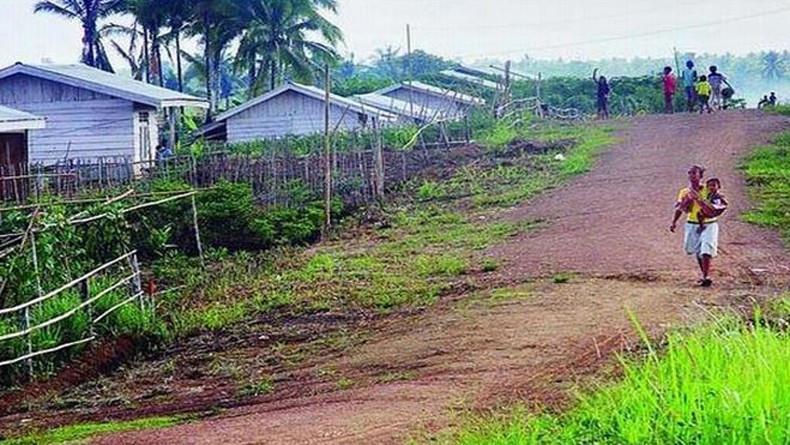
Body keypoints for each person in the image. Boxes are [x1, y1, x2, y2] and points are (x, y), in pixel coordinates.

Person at [669, 165, 723, 287]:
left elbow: (717, 203)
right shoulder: (684, 192)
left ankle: (706, 276)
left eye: (694, 173)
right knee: (699, 251)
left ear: (700, 176)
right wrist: (674, 222)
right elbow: (680, 208)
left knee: (706, 249)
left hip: (709, 223)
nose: (692, 175)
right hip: (692, 223)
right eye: (690, 173)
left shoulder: (708, 189)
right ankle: (704, 275)